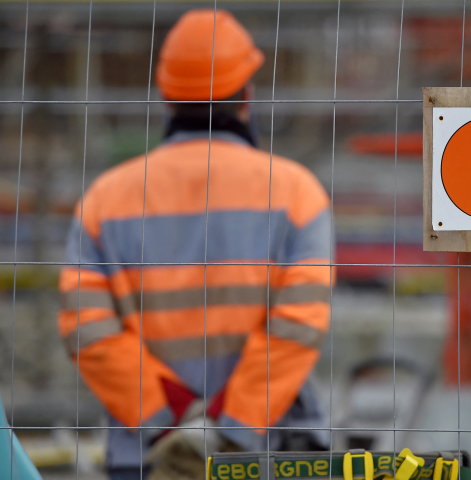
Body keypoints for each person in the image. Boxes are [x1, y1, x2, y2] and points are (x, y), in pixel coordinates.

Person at [56, 9, 332, 480]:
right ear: (246, 95)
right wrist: (227, 425)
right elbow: (298, 327)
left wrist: (176, 417)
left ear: (165, 96)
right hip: (265, 454)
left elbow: (88, 331)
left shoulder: (105, 200)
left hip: (146, 454)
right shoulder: (296, 194)